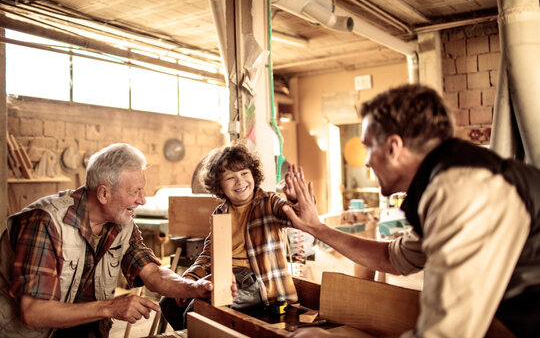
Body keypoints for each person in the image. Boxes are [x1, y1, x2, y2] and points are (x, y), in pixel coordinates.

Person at [283, 84, 540, 337]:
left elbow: (445, 333)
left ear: (393, 148)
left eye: (368, 147)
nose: (366, 161)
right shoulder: (448, 180)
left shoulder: (462, 191)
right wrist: (316, 228)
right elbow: (392, 258)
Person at [0, 143, 236, 338]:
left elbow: (152, 274)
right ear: (103, 193)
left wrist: (193, 287)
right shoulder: (44, 222)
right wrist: (110, 307)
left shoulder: (122, 224)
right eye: (135, 192)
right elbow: (33, 313)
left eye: (143, 191)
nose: (142, 200)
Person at [160, 142, 305, 330]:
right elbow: (209, 254)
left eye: (244, 173)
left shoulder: (269, 202)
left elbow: (300, 219)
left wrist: (295, 200)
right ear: (219, 186)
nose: (240, 181)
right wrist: (190, 280)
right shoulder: (221, 212)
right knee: (168, 302)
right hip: (223, 277)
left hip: (258, 283)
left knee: (196, 310)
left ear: (254, 175)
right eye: (230, 177)